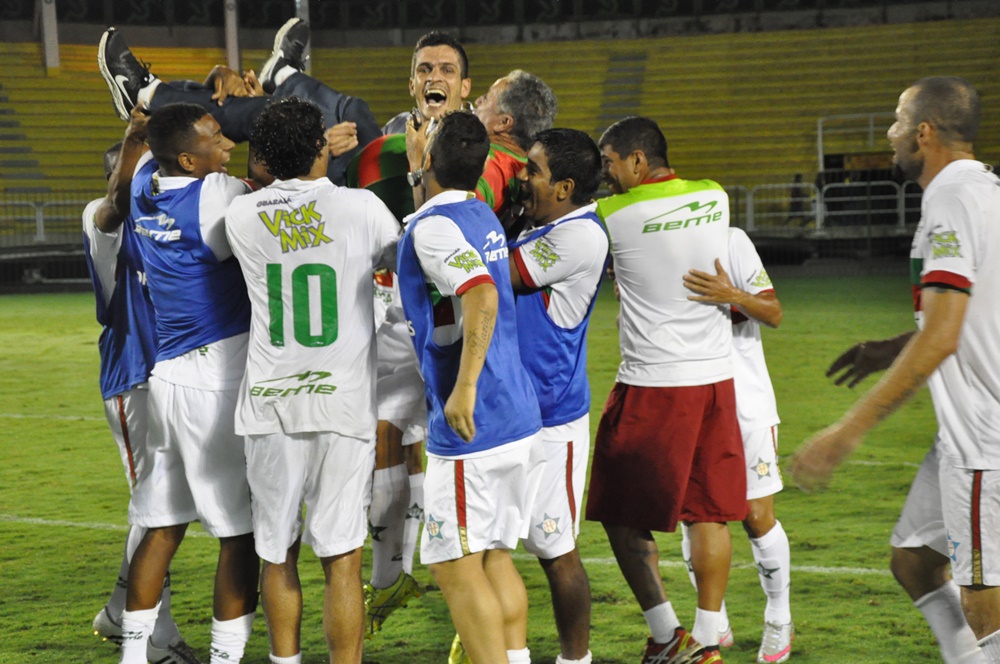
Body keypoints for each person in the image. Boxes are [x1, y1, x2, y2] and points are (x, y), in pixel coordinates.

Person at [790, 76, 998, 663]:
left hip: (983, 437)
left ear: (924, 133)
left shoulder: (951, 201)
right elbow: (973, 314)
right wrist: (894, 345)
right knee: (913, 560)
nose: (890, 133)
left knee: (985, 597)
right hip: (961, 435)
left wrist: (845, 432)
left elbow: (945, 334)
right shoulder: (985, 192)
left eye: (898, 121)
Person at [224, 98, 400, 664]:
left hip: (270, 404)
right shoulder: (363, 208)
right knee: (342, 558)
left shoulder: (241, 216)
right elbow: (399, 264)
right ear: (322, 148)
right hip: (342, 404)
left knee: (277, 554)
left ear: (265, 158)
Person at [585, 116, 746, 664]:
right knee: (709, 513)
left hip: (653, 382)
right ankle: (704, 639)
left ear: (636, 161)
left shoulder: (612, 214)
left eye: (609, 163)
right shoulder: (715, 195)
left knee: (615, 508)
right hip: (715, 379)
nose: (605, 175)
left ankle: (665, 631)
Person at [396, 110, 542, 664]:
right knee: (494, 557)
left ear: (431, 159)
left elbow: (480, 295)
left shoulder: (431, 228)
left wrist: (464, 387)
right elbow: (441, 233)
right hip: (516, 415)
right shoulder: (478, 211)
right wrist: (421, 171)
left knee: (453, 566)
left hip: (473, 424)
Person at [120, 102, 259, 664]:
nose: (227, 146)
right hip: (217, 378)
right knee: (240, 534)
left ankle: (133, 657)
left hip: (167, 379)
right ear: (188, 158)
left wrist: (133, 134)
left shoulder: (143, 188)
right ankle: (226, 659)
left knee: (161, 525)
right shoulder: (217, 194)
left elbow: (129, 169)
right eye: (215, 140)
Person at [84, 110, 200, 664]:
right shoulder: (103, 218)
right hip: (132, 380)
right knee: (153, 509)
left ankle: (117, 609)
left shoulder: (166, 215)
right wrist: (136, 141)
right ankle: (156, 635)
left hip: (171, 377)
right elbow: (116, 206)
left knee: (167, 505)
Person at [508, 128, 608, 664]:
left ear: (565, 186)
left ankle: (576, 660)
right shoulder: (542, 222)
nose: (524, 178)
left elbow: (503, 274)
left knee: (555, 551)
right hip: (507, 415)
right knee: (491, 548)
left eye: (534, 171)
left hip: (551, 420)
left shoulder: (580, 236)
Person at [682, 229, 792, 664]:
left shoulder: (730, 241)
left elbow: (773, 312)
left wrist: (730, 294)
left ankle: (779, 618)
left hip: (745, 403)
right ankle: (715, 620)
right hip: (687, 401)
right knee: (695, 516)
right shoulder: (651, 247)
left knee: (756, 516)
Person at [98, 20, 379, 186]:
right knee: (354, 110)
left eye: (222, 138)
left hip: (332, 193)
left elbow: (261, 173)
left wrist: (318, 143)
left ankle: (147, 94)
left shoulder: (222, 202)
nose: (230, 144)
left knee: (277, 114)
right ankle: (282, 74)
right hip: (374, 189)